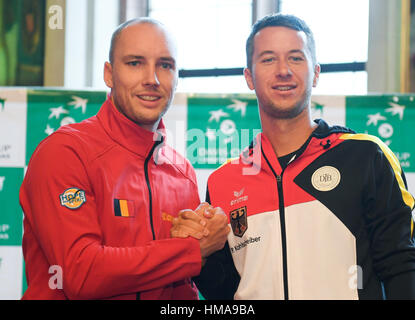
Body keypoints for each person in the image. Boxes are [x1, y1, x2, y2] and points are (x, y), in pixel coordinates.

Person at [174, 13, 415, 299]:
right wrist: (199, 255)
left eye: (296, 58)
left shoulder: (366, 156)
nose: (283, 70)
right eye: (268, 59)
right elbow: (224, 291)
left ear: (315, 72)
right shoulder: (222, 181)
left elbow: (401, 267)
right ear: (249, 77)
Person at [19, 18, 229, 300]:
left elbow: (182, 287)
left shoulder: (182, 173)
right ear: (109, 74)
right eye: (135, 63)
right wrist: (192, 251)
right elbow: (81, 274)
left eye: (165, 65)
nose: (152, 79)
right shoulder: (65, 152)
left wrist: (211, 240)